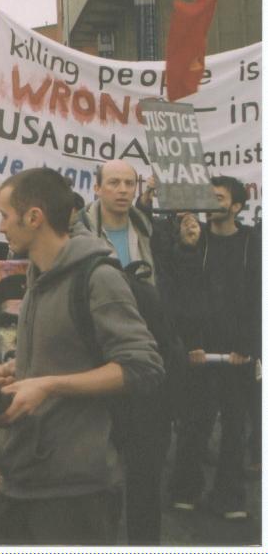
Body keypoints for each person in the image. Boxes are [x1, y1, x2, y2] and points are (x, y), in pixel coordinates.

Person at [0, 168, 163, 545]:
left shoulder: (98, 277)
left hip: (75, 494)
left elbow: (143, 366)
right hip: (24, 482)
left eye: (5, 216)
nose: (0, 227)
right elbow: (68, 353)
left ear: (35, 217)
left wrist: (48, 384)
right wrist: (18, 371)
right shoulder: (37, 276)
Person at [167, 176, 260, 521]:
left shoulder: (254, 243)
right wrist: (191, 344)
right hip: (199, 351)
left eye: (218, 198)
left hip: (238, 354)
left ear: (236, 206)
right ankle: (184, 490)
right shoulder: (195, 240)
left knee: (234, 426)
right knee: (194, 422)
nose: (211, 203)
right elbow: (182, 295)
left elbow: (257, 300)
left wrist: (247, 347)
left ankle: (230, 496)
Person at [73, 159, 156, 283]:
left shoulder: (148, 232)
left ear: (135, 190)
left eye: (129, 183)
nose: (123, 190)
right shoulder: (77, 234)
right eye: (114, 183)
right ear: (97, 189)